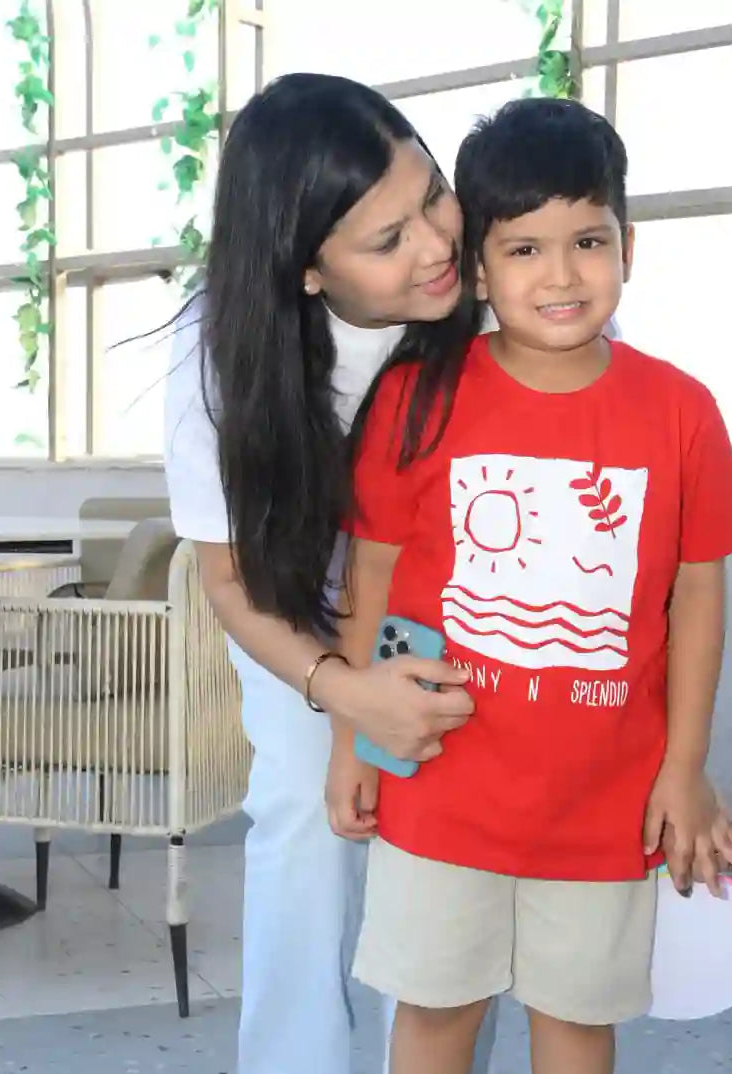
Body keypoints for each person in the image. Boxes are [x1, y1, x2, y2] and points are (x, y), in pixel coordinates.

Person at [331, 97, 732, 1074]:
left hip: (602, 806)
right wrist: (352, 745)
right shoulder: (417, 397)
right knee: (434, 1013)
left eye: (587, 241)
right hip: (440, 787)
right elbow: (375, 574)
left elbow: (698, 593)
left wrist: (682, 768)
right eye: (523, 249)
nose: (560, 275)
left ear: (627, 246)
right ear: (477, 263)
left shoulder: (680, 413)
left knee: (575, 1024)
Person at [162, 73, 498, 1074]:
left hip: (453, 590)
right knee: (308, 818)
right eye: (387, 240)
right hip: (295, 601)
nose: (438, 245)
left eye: (432, 195)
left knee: (451, 842)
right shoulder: (218, 349)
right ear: (307, 270)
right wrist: (342, 689)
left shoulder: (491, 291)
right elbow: (227, 578)